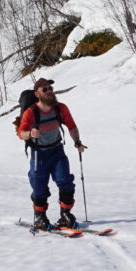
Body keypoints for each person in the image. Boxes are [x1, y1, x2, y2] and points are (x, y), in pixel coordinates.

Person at [14, 78, 86, 230]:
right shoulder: (31, 112)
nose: (49, 91)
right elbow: (21, 133)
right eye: (45, 89)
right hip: (38, 154)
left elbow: (72, 126)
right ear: (37, 94)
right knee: (39, 186)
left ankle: (66, 215)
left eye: (50, 88)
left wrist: (77, 142)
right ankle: (40, 217)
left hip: (57, 151)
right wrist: (30, 133)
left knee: (65, 181)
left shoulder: (60, 108)